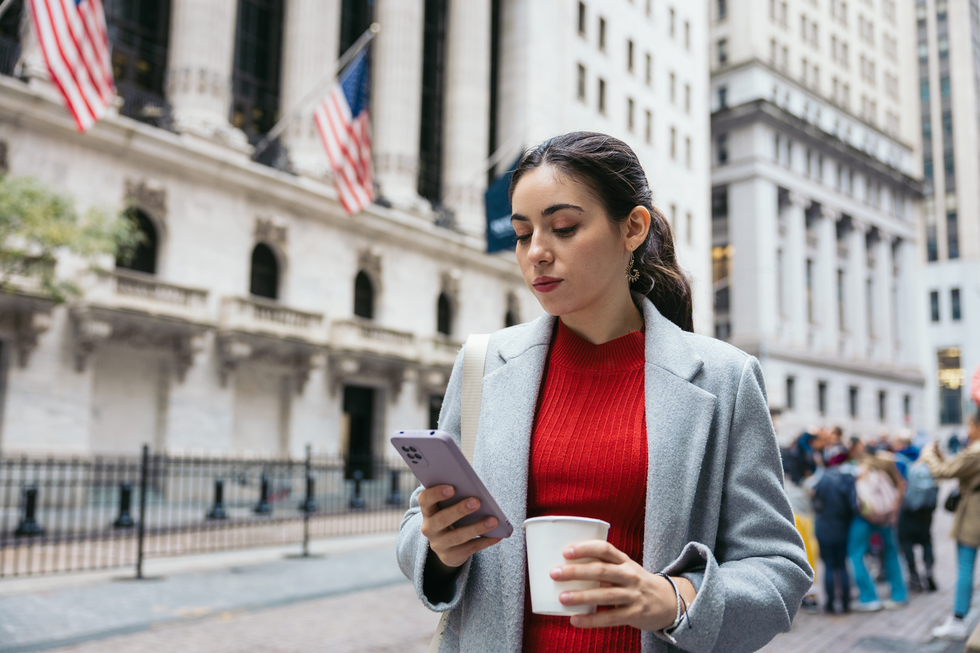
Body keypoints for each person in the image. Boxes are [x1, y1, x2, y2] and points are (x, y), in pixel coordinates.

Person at [396, 132, 812, 653]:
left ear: (632, 228)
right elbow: (418, 524)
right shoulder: (482, 363)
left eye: (564, 228)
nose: (537, 253)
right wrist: (440, 550)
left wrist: (672, 598)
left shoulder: (725, 377)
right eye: (523, 235)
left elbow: (778, 566)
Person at [923, 411, 980, 640]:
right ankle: (960, 617)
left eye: (970, 425)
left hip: (973, 516)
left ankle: (958, 619)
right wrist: (940, 454)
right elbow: (956, 466)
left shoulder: (976, 451)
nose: (968, 431)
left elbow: (943, 471)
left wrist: (928, 455)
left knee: (965, 567)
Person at [847, 449, 908, 611]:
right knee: (891, 553)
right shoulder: (886, 470)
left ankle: (869, 597)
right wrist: (893, 513)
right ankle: (899, 594)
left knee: (856, 554)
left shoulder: (862, 472)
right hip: (886, 518)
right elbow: (901, 487)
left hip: (865, 518)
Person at [812, 449, 857, 613]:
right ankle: (845, 603)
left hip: (825, 527)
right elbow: (853, 506)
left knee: (829, 566)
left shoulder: (823, 478)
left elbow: (816, 503)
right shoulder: (848, 479)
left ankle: (830, 603)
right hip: (842, 527)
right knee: (842, 566)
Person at [894, 432, 938, 593]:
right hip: (926, 510)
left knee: (906, 543)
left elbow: (898, 484)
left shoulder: (898, 460)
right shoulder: (923, 457)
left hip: (908, 510)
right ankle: (929, 571)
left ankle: (914, 575)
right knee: (926, 541)